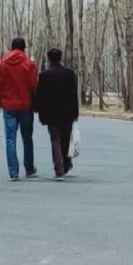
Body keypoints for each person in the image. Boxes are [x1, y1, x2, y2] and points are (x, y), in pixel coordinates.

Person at [0, 38, 39, 181]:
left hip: (9, 106)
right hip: (25, 105)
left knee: (10, 139)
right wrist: (34, 102)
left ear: (11, 48)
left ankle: (13, 172)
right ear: (24, 48)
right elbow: (34, 86)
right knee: (27, 137)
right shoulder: (29, 64)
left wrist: (2, 101)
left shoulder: (2, 64)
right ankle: (29, 168)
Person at [34, 48, 79, 180]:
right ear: (61, 58)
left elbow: (41, 96)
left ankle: (59, 170)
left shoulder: (44, 75)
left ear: (48, 59)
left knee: (55, 141)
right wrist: (75, 113)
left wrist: (40, 113)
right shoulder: (69, 73)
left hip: (51, 114)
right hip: (67, 113)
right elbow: (73, 95)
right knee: (66, 139)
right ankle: (66, 165)